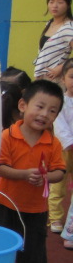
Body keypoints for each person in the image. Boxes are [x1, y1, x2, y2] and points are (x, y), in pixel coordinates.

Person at [0, 80, 65, 263]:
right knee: (1, 248)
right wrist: (24, 175)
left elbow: (59, 172)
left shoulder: (53, 143)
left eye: (52, 111)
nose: (45, 114)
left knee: (32, 250)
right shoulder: (7, 136)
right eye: (40, 107)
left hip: (35, 209)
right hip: (5, 203)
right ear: (23, 105)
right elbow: (0, 167)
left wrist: (46, 177)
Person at [48, 58, 73, 233]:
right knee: (58, 184)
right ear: (63, 79)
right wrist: (69, 143)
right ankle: (55, 217)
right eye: (72, 77)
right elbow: (59, 125)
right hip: (63, 150)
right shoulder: (61, 102)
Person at [33, 0, 73, 83]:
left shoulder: (69, 27)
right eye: (51, 2)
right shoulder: (49, 24)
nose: (55, 6)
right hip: (41, 76)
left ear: (68, 5)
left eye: (60, 2)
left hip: (56, 78)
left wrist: (61, 67)